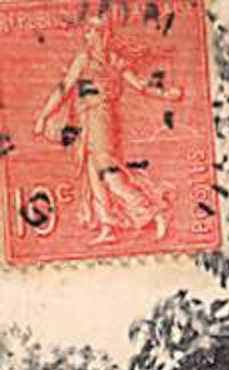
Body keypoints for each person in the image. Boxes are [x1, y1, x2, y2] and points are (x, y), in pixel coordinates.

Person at [32, 13, 184, 245]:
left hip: (102, 121)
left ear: (103, 34)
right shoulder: (83, 59)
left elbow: (140, 86)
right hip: (85, 122)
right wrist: (44, 115)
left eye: (91, 31)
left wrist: (165, 94)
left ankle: (153, 212)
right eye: (86, 31)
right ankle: (107, 227)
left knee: (109, 174)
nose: (86, 35)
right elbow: (63, 89)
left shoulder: (114, 60)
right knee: (93, 177)